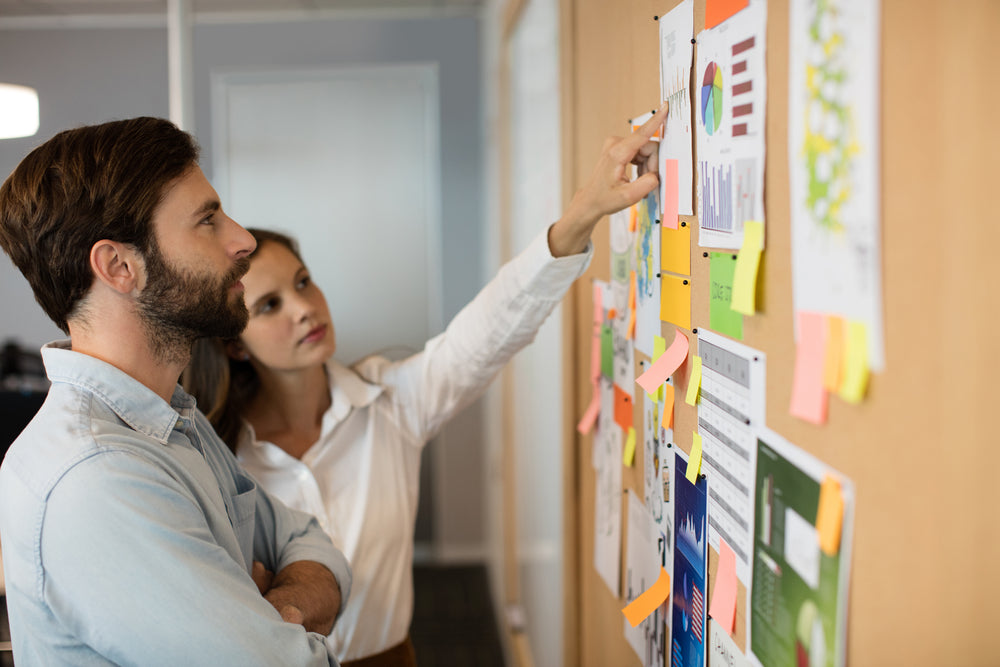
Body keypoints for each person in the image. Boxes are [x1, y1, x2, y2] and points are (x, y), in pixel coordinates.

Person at [183, 104, 669, 665]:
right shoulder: (217, 456)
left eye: (304, 282)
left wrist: (581, 215)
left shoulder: (390, 404)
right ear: (234, 344)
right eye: (270, 305)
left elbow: (488, 332)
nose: (304, 308)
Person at [0, 116, 353, 666]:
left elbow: (310, 542)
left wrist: (277, 607)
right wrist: (278, 622)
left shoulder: (171, 417)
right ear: (119, 266)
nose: (244, 240)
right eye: (208, 222)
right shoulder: (98, 476)